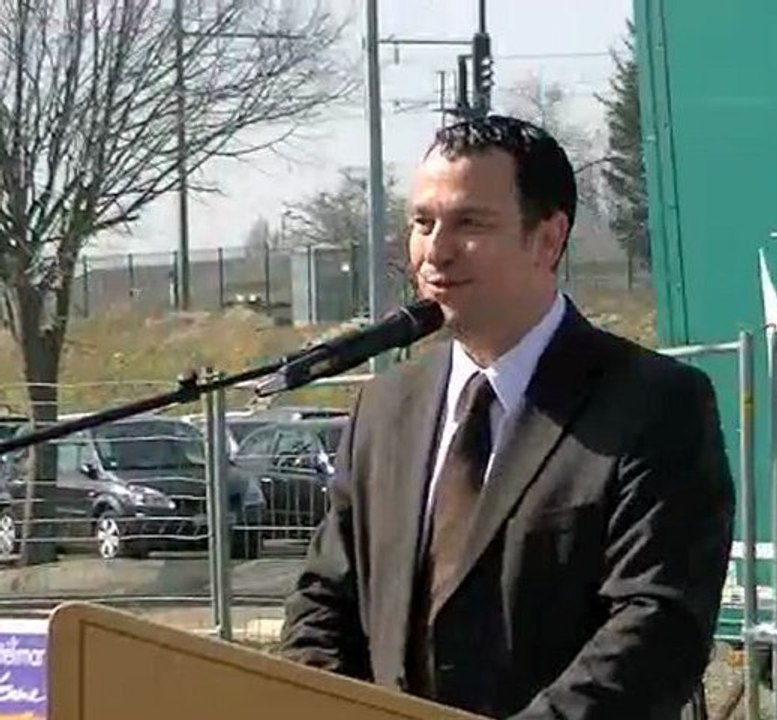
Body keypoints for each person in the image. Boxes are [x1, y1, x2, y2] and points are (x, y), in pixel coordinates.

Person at [278, 114, 735, 720]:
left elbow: (656, 628)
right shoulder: (384, 407)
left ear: (547, 239)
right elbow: (322, 601)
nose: (435, 251)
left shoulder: (654, 404)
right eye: (423, 223)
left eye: (470, 223)